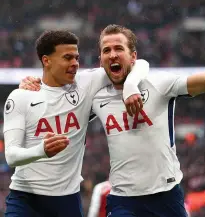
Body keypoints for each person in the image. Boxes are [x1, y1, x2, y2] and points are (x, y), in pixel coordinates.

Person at [20, 25, 205, 217]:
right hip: (123, 200)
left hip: (167, 195)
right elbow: (55, 101)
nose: (112, 54)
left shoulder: (159, 84)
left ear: (133, 57)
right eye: (106, 50)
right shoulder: (94, 95)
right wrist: (33, 86)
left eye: (119, 48)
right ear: (100, 60)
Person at [3, 30, 149, 217]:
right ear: (46, 61)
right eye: (67, 58)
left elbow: (140, 64)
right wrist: (41, 151)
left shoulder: (87, 83)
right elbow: (11, 156)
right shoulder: (21, 97)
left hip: (68, 201)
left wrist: (130, 85)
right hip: (26, 199)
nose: (75, 64)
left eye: (76, 58)